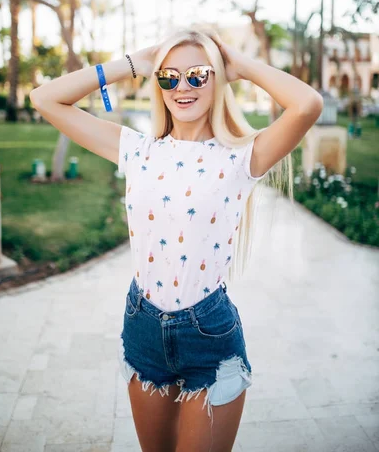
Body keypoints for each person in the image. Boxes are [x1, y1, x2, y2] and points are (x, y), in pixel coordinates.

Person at [30, 25, 323, 452]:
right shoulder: (138, 150)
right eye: (169, 77)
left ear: (216, 80)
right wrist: (133, 63)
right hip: (143, 327)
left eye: (198, 75)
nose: (181, 86)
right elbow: (44, 98)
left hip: (209, 338)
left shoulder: (241, 157)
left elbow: (307, 104)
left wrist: (237, 64)